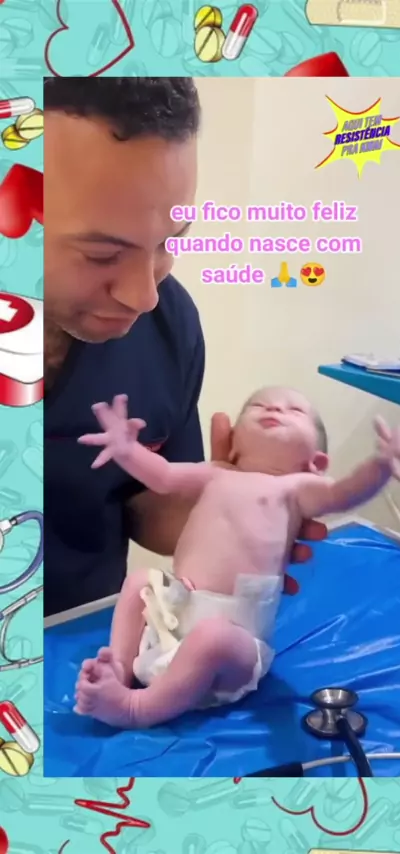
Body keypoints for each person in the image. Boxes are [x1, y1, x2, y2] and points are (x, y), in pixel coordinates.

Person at [43, 78, 325, 617]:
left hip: (82, 639)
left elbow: (141, 508)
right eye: (102, 255)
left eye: (170, 242)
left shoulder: (170, 323)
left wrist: (224, 501)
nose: (143, 296)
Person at [73, 388, 400, 728]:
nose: (275, 408)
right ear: (233, 444)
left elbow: (345, 493)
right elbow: (164, 477)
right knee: (140, 581)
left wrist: (382, 465)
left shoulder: (296, 488)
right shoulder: (216, 473)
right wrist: (127, 449)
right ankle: (117, 669)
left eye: (295, 411)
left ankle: (136, 708)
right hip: (170, 625)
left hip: (232, 652)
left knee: (212, 636)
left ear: (315, 462)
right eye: (258, 406)